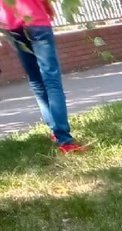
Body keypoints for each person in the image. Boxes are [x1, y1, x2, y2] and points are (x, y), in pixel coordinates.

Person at [3, 0, 86, 152]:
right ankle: (65, 140)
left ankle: (56, 132)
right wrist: (48, 7)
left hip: (12, 26)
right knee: (51, 81)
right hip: (36, 20)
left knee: (36, 80)